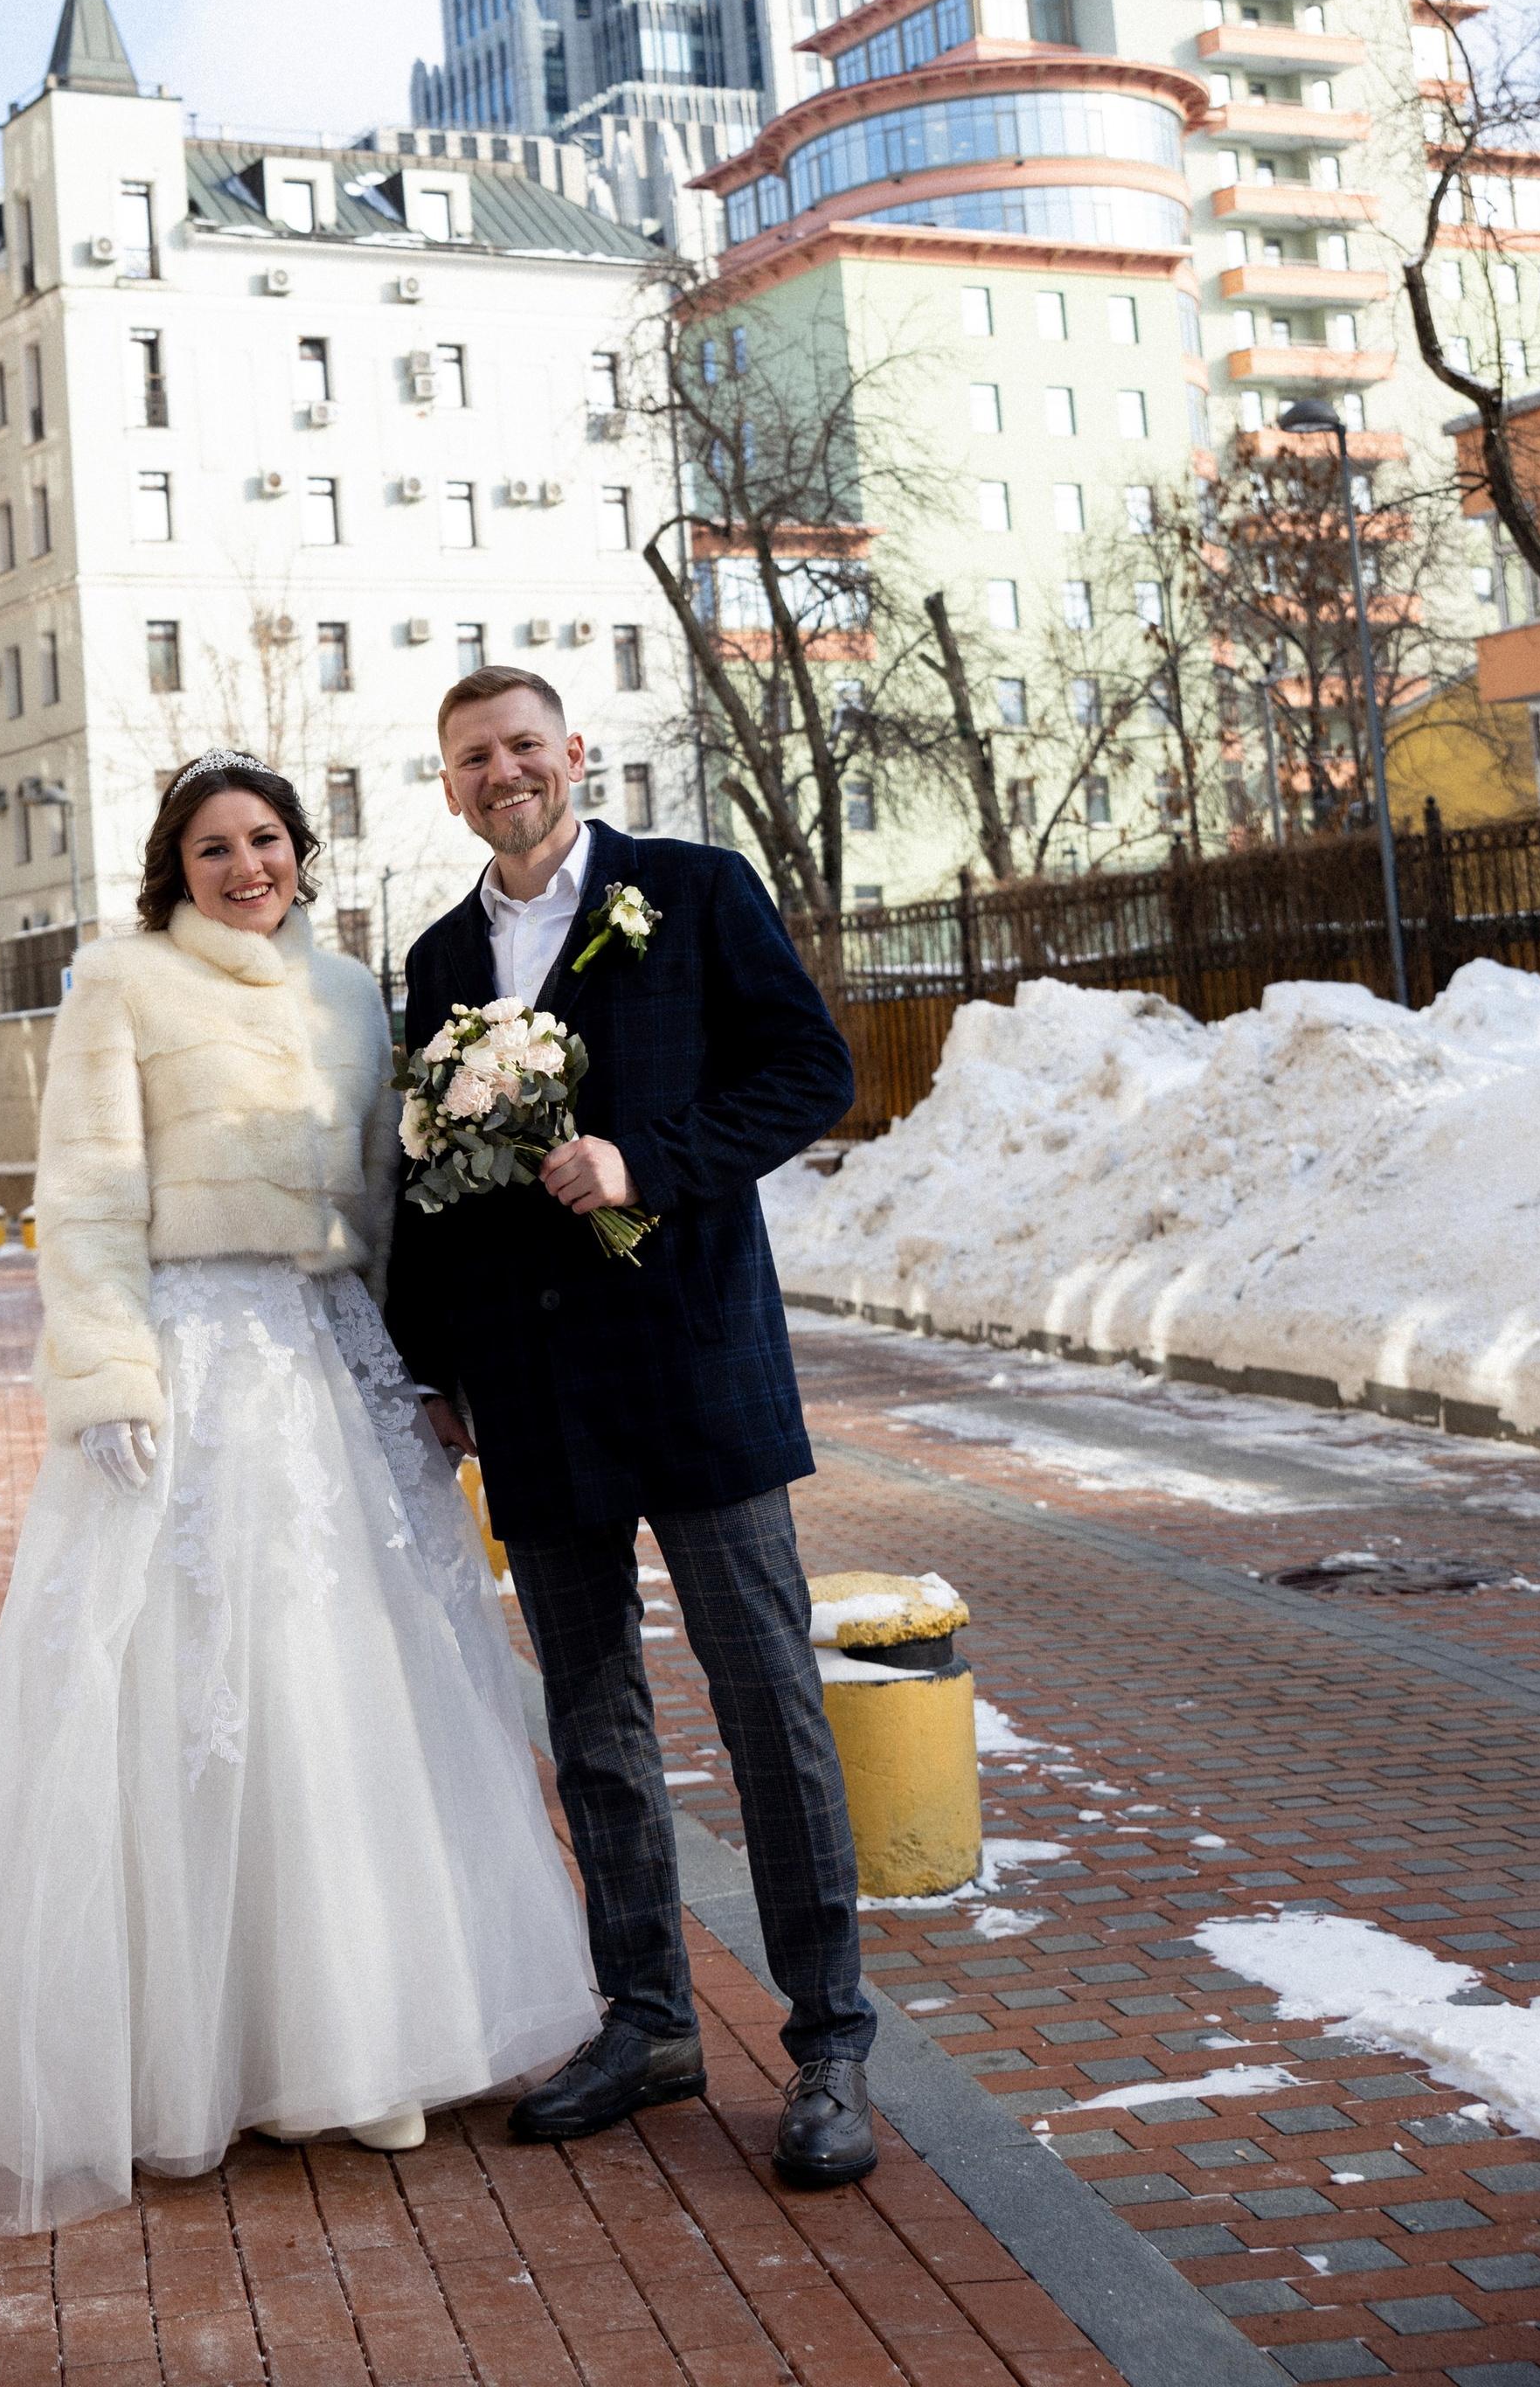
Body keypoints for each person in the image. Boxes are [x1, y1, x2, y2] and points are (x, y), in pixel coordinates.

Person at [0, 750, 598, 2233]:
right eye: (213, 847)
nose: (243, 866)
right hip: (191, 1368)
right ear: (175, 867)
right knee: (191, 1691)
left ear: (299, 854)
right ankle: (185, 2065)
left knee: (341, 1693)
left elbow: (390, 1209)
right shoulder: (122, 986)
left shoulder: (350, 997)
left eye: (265, 840)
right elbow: (83, 1199)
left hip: (326, 1364)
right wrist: (107, 1380)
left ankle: (358, 2039)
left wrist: (418, 1371)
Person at [385, 668, 875, 2186]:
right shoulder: (439, 956)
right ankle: (650, 2020)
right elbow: (430, 1180)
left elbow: (811, 1074)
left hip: (696, 1368)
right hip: (536, 1396)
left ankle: (830, 2044)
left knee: (767, 1704)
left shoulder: (694, 890)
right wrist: (431, 1365)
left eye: (525, 746)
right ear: (449, 783)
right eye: (475, 759)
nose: (503, 774)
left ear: (574, 755)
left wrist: (644, 1162)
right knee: (592, 1723)